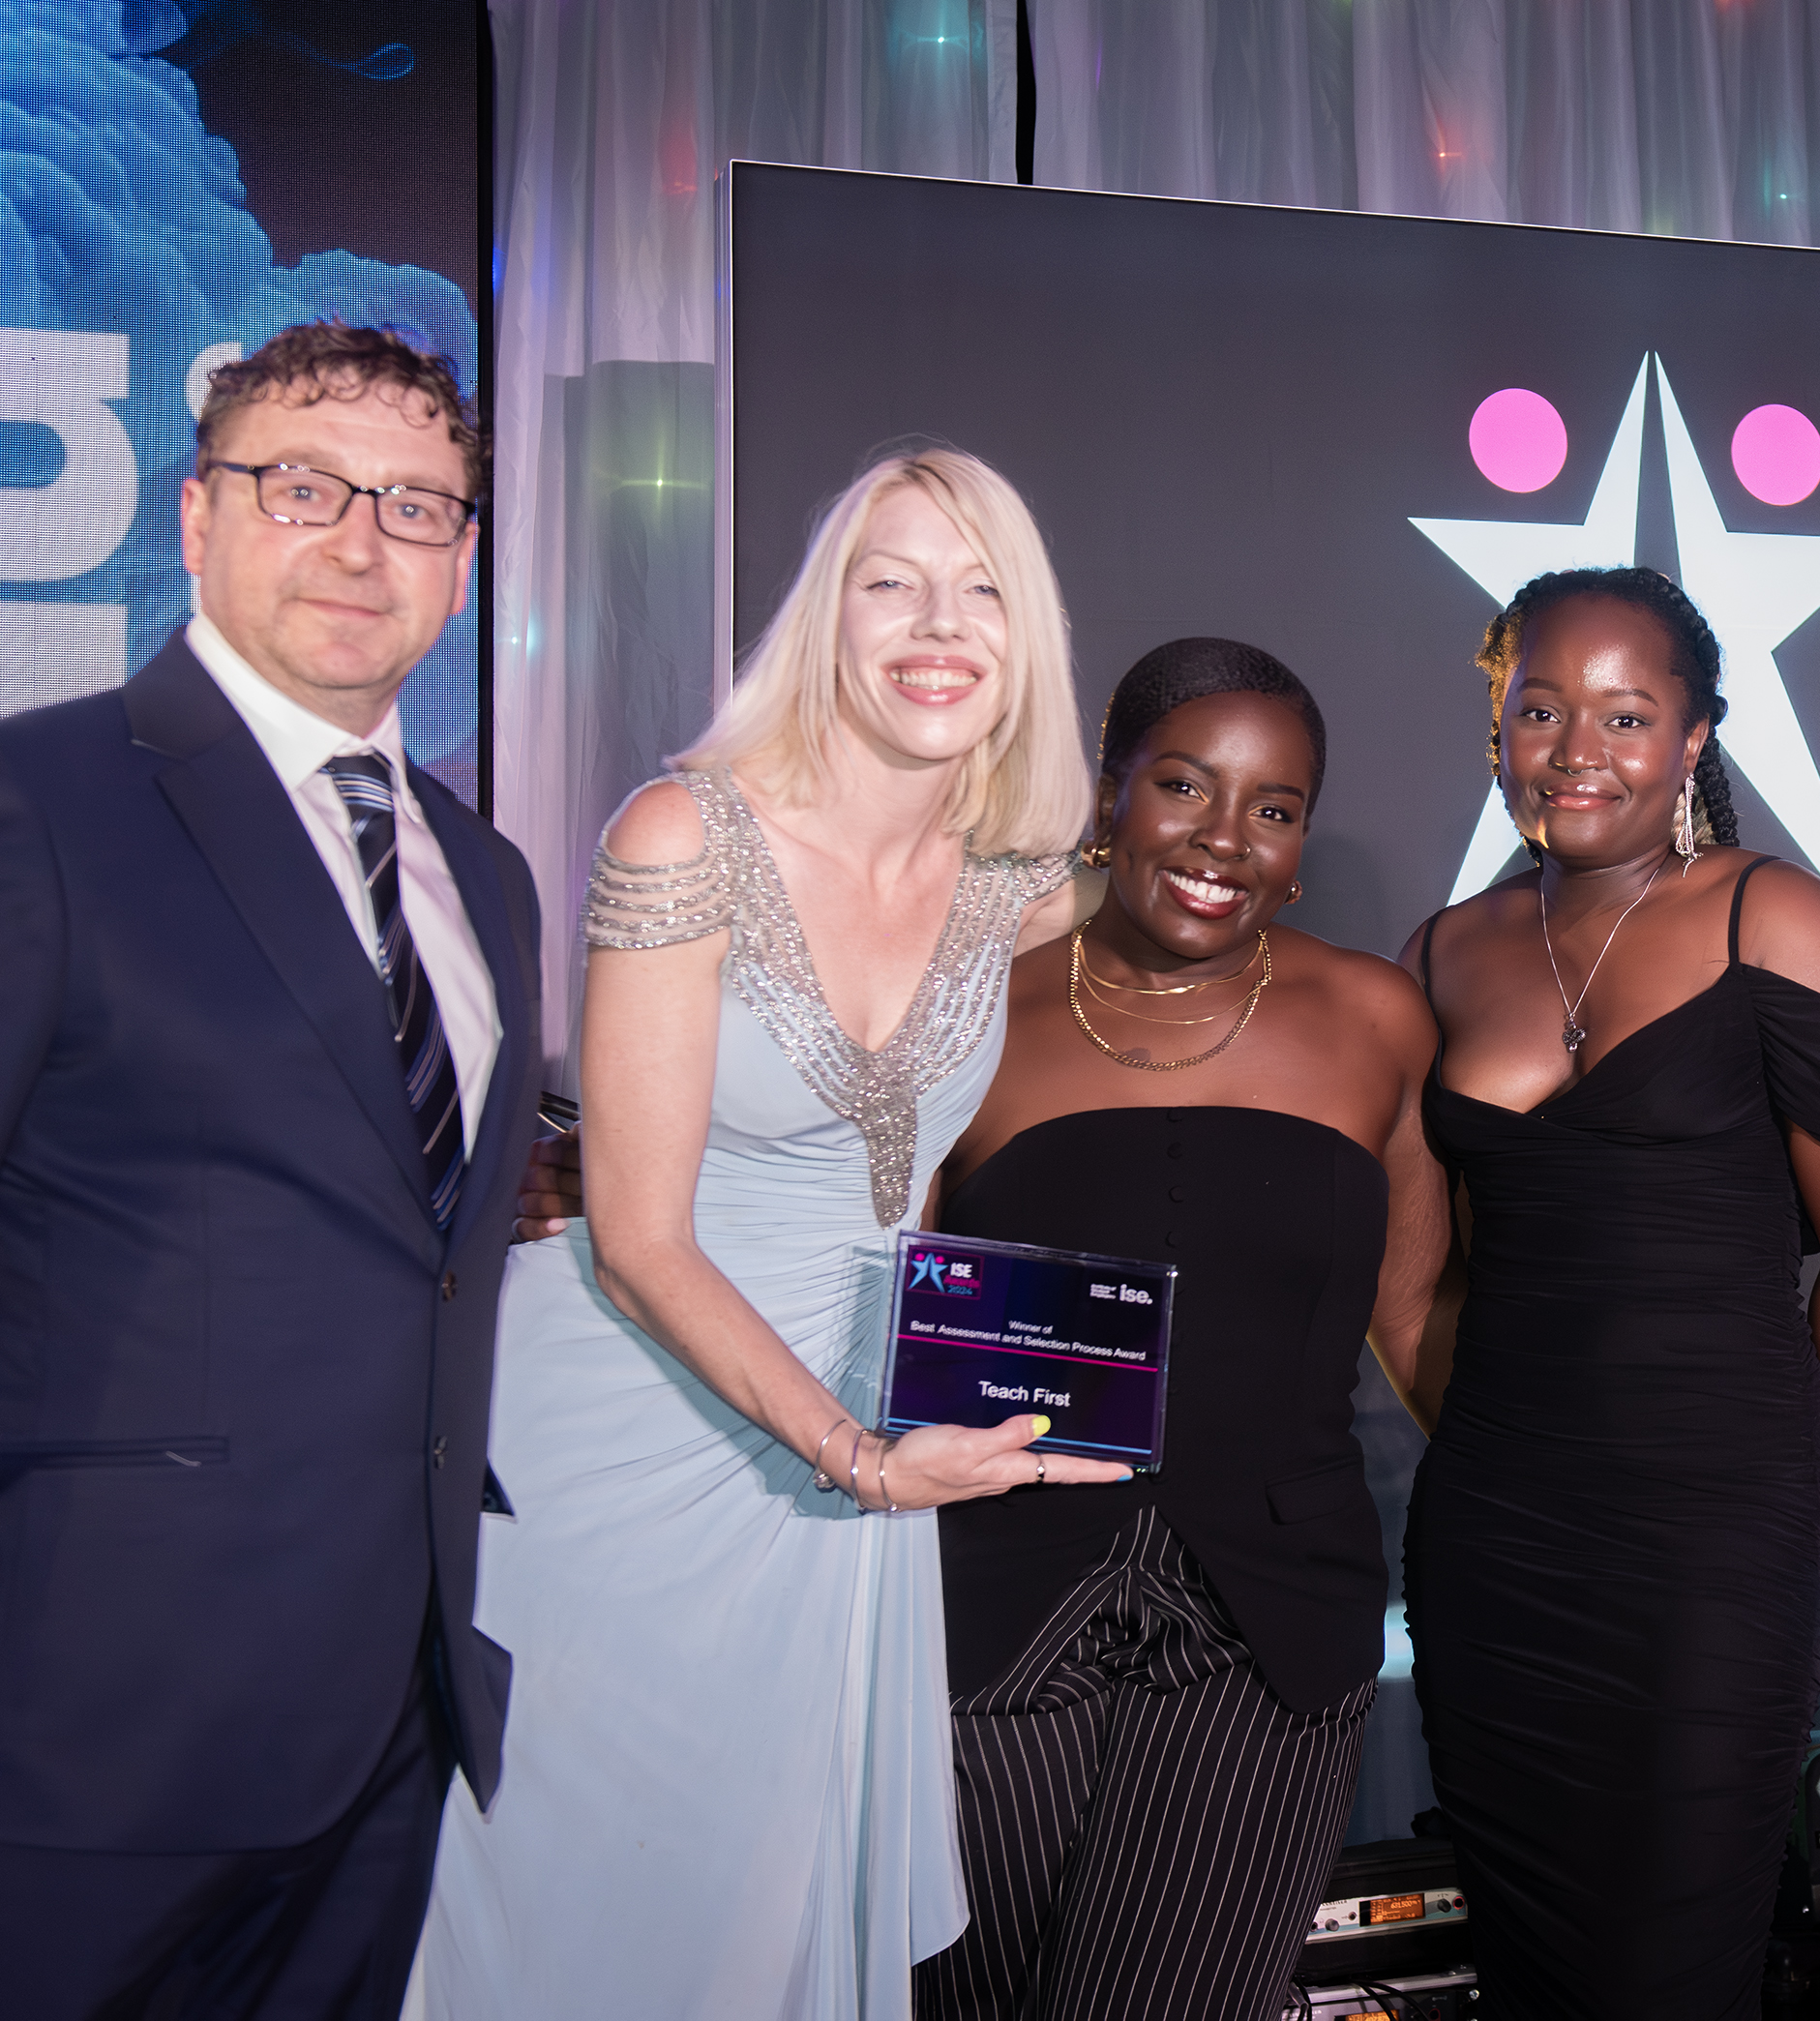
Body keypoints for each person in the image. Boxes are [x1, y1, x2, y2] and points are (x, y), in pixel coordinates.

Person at [417, 448, 1121, 2018]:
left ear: (1027, 639)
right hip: (638, 1437)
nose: (937, 625)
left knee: (758, 1928)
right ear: (826, 619)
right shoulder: (684, 835)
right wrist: (861, 1455)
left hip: (855, 1467)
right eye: (892, 581)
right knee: (568, 1917)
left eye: (981, 587)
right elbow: (641, 1236)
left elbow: (1199, 897)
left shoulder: (1018, 879)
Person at [0, 323, 542, 2016]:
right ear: (195, 518)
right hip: (88, 1721)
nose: (360, 541)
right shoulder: (40, 802)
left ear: (462, 558)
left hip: (389, 1713)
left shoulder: (488, 872)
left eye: (416, 505)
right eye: (303, 486)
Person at [1393, 567, 1820, 2017]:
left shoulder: (1778, 922)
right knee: (1532, 1967)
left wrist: (1815, 1528)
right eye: (1540, 709)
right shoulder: (1440, 955)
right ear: (1496, 724)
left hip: (1717, 1547)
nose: (1577, 749)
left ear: (1694, 738)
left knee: (1668, 1973)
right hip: (1496, 1547)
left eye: (1626, 715)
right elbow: (1413, 1279)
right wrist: (1520, 1441)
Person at [910, 639, 1447, 2019]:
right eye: (1183, 786)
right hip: (986, 1620)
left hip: (1265, 1634)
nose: (1224, 840)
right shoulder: (968, 1011)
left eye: (1273, 808)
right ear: (1108, 797)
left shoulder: (1373, 1017)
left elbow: (1417, 1315)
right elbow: (845, 1271)